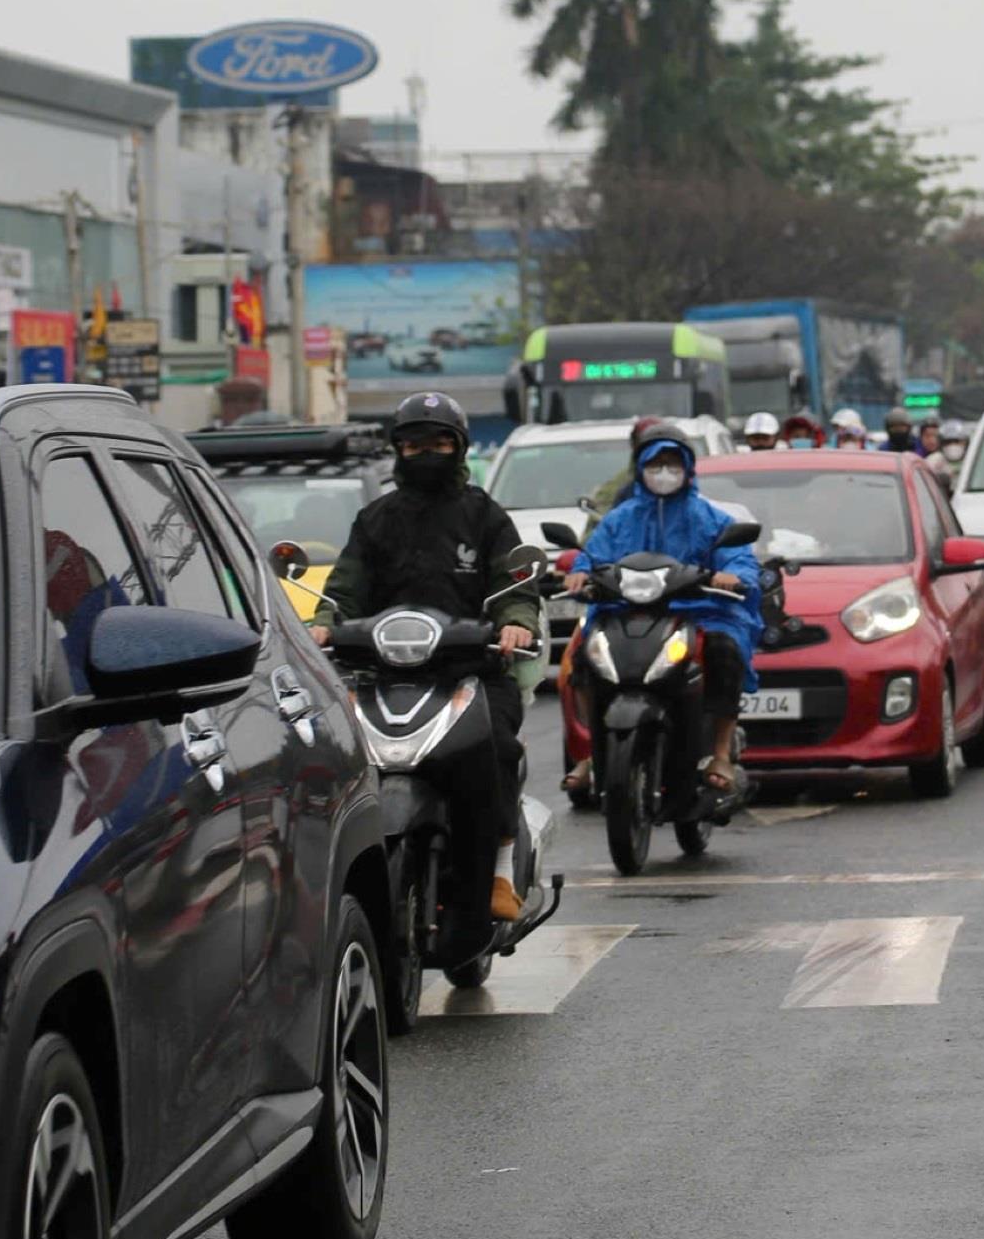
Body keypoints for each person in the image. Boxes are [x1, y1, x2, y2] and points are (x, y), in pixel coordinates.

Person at [316, 393, 541, 922]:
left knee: (500, 748)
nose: (428, 452)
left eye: (440, 442)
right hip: (383, 673)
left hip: (471, 671)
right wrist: (323, 626)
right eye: (416, 443)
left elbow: (513, 584)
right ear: (399, 450)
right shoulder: (375, 519)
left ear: (459, 448)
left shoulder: (484, 515)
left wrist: (515, 621)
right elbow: (344, 590)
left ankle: (500, 872)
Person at [571, 423, 764, 797]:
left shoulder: (709, 518)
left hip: (698, 612)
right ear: (640, 468)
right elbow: (592, 554)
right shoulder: (620, 518)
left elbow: (739, 558)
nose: (663, 472)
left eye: (672, 464)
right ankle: (591, 752)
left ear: (688, 469)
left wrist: (733, 575)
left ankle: (721, 752)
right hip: (627, 613)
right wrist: (579, 573)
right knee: (583, 659)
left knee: (725, 651)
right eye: (655, 464)